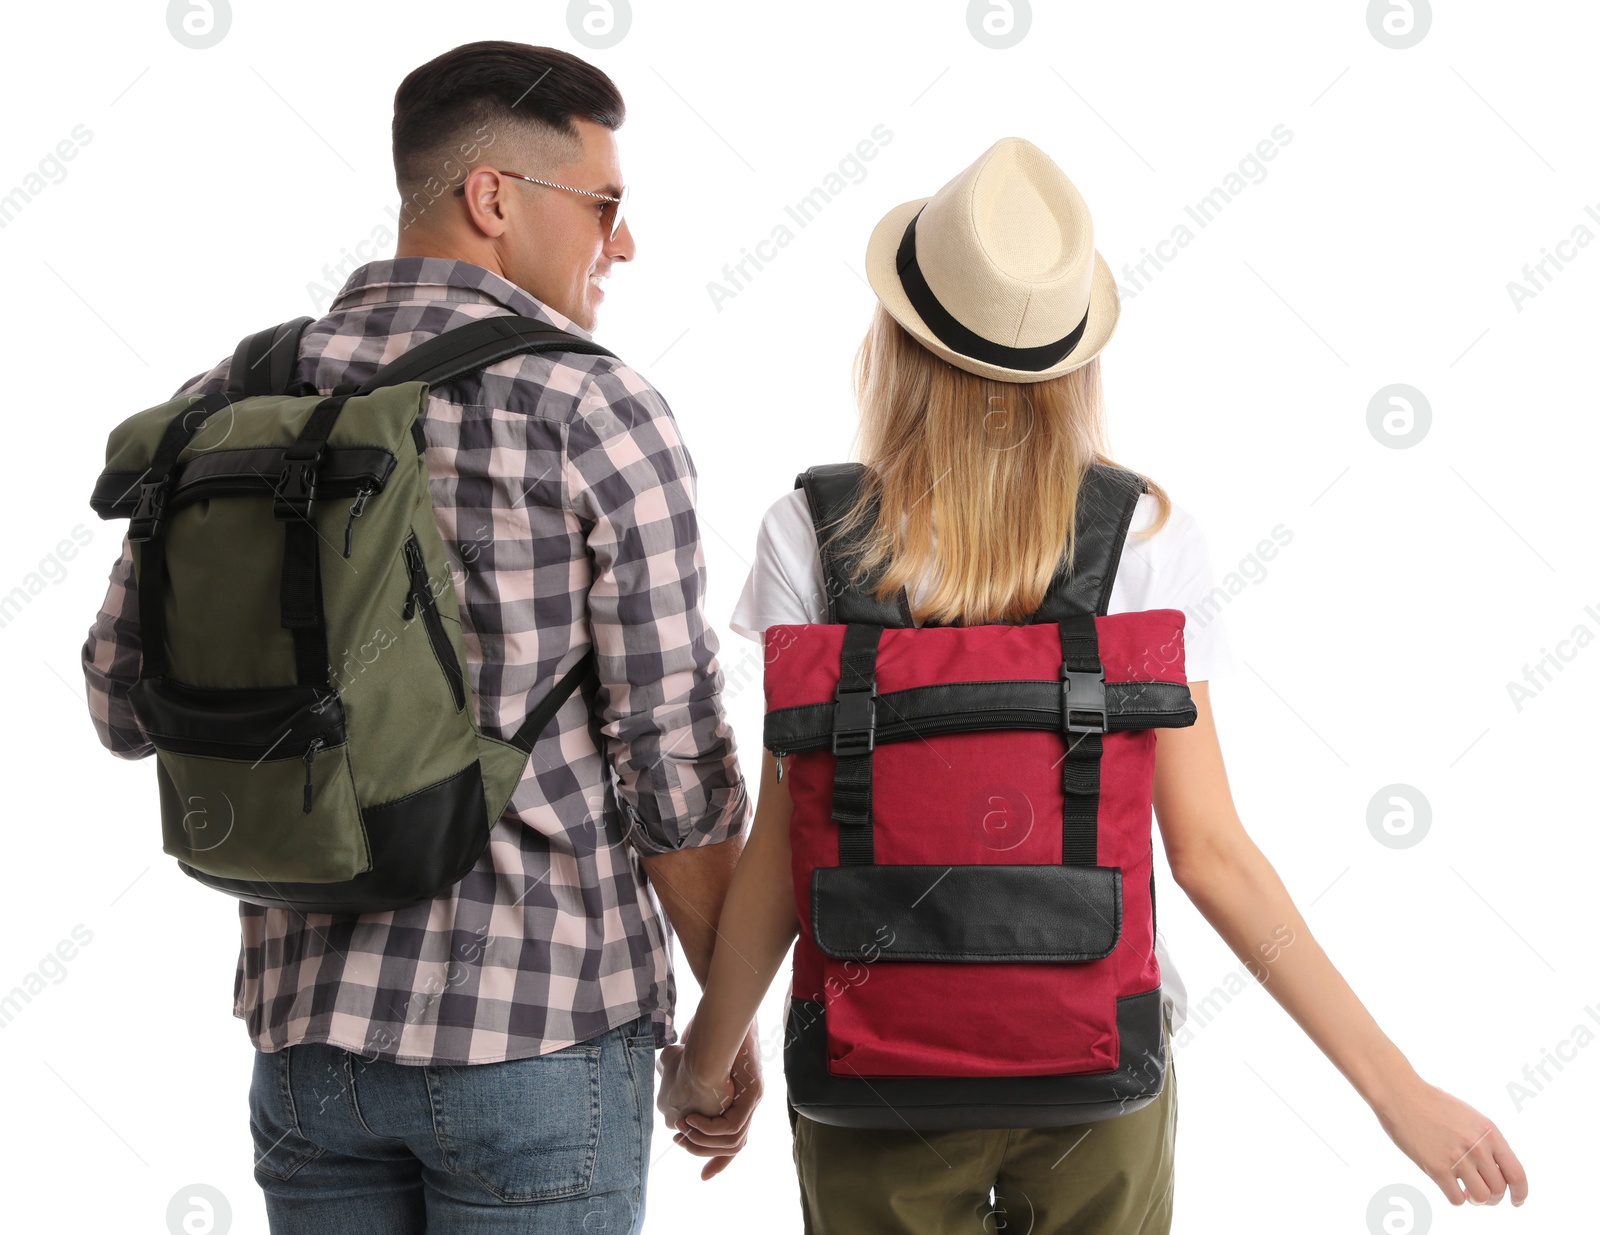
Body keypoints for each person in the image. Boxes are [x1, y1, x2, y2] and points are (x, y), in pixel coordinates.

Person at [655, 136, 1530, 1232]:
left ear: (893, 339)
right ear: (1073, 357)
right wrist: (1396, 1092)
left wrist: (708, 1059)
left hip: (871, 1067)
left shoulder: (817, 533)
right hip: (1095, 1057)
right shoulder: (1148, 534)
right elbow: (1210, 853)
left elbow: (790, 843)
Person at [80, 41, 761, 1234]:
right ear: (494, 198)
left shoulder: (233, 395)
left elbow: (117, 699)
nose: (625, 242)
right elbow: (673, 767)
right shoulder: (592, 406)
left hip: (305, 1047)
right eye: (607, 205)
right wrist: (723, 1028)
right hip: (535, 1034)